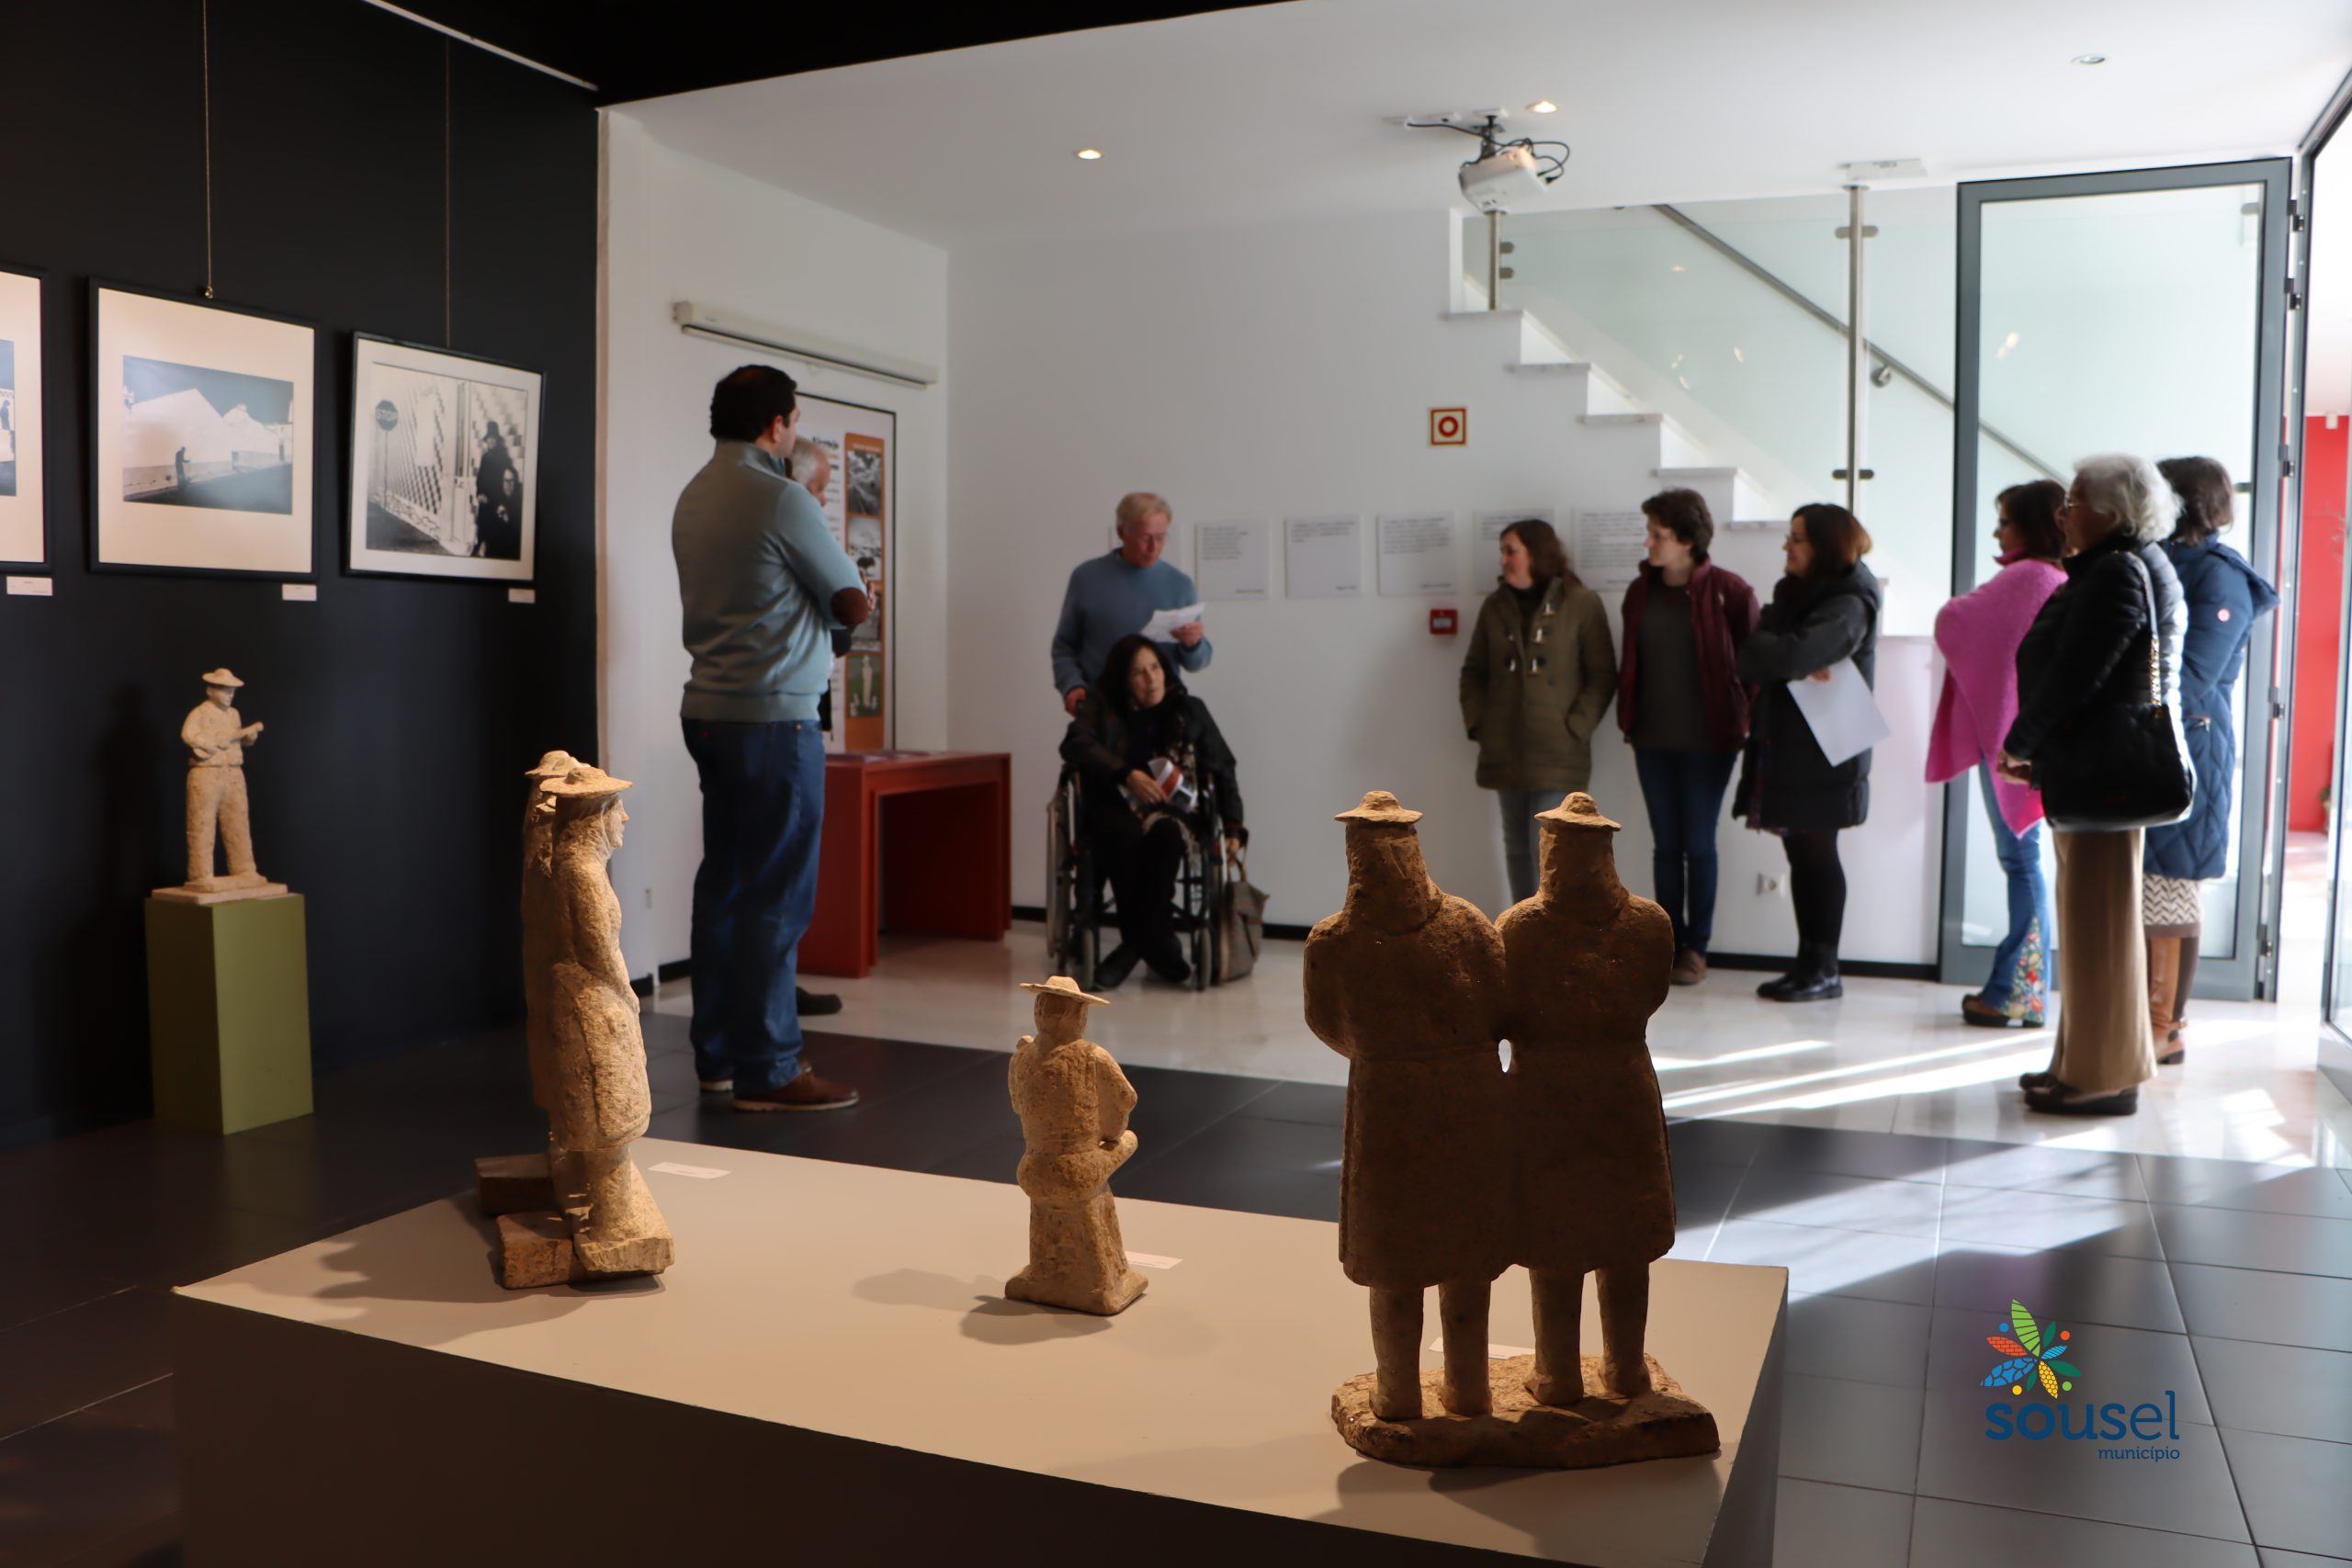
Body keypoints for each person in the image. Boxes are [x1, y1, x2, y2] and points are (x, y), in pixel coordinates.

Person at [673, 364, 870, 1111]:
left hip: (709, 711)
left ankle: (717, 1058)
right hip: (777, 718)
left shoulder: (695, 494)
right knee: (777, 897)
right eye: (793, 420)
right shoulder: (782, 496)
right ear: (777, 425)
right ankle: (772, 1067)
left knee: (723, 886)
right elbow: (849, 600)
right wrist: (849, 600)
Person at [1999, 454, 2187, 1116]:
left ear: (2110, 512)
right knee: (2088, 927)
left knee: (2099, 928)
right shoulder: (2120, 564)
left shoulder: (2115, 571)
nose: (2062, 510)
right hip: (2094, 769)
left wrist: (2022, 742)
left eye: (2075, 498)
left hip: (2102, 774)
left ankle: (2104, 1077)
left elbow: (2080, 678)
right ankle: (2082, 1063)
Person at [2142, 457, 2278, 1065]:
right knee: (2152, 886)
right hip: (2160, 739)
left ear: (2181, 501)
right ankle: (2146, 1023)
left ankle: (2163, 1026)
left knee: (2172, 887)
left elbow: (2191, 676)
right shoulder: (2166, 559)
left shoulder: (2218, 575)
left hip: (2190, 745)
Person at [1927, 480, 2068, 1028]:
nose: (1996, 531)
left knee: (2021, 861)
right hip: (2040, 741)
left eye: (2005, 521)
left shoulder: (2028, 576)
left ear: (2030, 526)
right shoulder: (2058, 577)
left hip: (2016, 744)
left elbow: (1954, 621)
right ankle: (2022, 988)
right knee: (2026, 862)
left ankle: (2019, 990)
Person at [1734, 503, 1882, 1002]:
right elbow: (1750, 656)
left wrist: (1791, 656)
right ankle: (1807, 963)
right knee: (1801, 855)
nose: (1786, 546)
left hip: (1827, 750)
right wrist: (1790, 657)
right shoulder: (1792, 592)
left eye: (1796, 538)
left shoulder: (1853, 599)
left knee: (1818, 856)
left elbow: (1796, 652)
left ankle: (1825, 968)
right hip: (1791, 746)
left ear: (1823, 545)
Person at [1617, 488, 1759, 984]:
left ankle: (1696, 949)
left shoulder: (1730, 591)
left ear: (1687, 540)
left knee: (1698, 843)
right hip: (1651, 739)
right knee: (1665, 845)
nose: (1649, 543)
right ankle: (1667, 944)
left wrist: (1746, 722)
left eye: (1658, 534)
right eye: (1651, 533)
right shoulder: (1640, 592)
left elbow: (1755, 665)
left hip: (1711, 742)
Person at [1059, 634, 1245, 988]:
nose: (1152, 679)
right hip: (1115, 806)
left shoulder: (1190, 709)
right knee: (1122, 833)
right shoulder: (1103, 708)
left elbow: (1222, 767)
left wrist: (1234, 825)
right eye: (1139, 673)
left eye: (1156, 668)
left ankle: (1133, 947)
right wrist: (1125, 774)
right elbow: (1074, 743)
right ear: (1123, 681)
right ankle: (1159, 943)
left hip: (1172, 810)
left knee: (1167, 835)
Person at [1458, 518, 1615, 907]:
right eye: (1503, 551)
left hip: (1558, 751)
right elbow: (1472, 672)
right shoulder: (1495, 606)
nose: (1503, 560)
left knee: (1548, 846)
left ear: (1536, 554)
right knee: (1514, 843)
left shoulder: (1580, 603)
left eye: (1511, 551)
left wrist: (1574, 729)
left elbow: (1602, 675)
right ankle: (1519, 931)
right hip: (1505, 749)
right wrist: (1481, 724)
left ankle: (1553, 935)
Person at [785, 434, 847, 1021]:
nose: (824, 502)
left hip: (793, 709)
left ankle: (779, 989)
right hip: (783, 717)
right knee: (782, 871)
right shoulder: (790, 529)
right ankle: (775, 1000)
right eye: (822, 488)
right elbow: (842, 611)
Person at [1050, 493, 1209, 716]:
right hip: (1102, 711)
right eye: (1146, 538)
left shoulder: (1180, 584)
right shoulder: (1086, 578)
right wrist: (1072, 686)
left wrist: (1193, 644)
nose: (1154, 547)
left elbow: (1197, 663)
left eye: (1162, 537)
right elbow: (1064, 647)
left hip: (1163, 713)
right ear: (1121, 532)